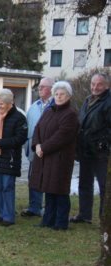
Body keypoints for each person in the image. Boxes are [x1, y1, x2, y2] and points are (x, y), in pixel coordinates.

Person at [29, 81, 79, 231]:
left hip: (60, 158)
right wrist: (37, 145)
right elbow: (37, 128)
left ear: (68, 96)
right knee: (49, 189)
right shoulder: (49, 110)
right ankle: (48, 220)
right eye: (56, 94)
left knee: (60, 190)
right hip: (45, 156)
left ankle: (61, 222)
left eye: (62, 94)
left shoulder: (70, 114)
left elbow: (62, 136)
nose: (59, 96)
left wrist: (43, 147)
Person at [70, 73, 111, 224]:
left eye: (99, 84)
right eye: (93, 84)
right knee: (85, 183)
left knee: (105, 188)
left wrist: (103, 143)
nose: (95, 87)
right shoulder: (88, 100)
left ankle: (104, 218)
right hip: (86, 150)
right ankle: (84, 214)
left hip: (102, 152)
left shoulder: (108, 102)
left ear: (107, 85)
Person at [0, 89, 27, 227]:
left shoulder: (19, 118)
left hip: (10, 158)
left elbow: (20, 138)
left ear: (10, 103)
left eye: (2, 104)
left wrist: (2, 143)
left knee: (7, 187)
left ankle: (9, 217)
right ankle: (1, 214)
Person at [22, 77, 55, 218]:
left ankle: (49, 208)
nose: (40, 89)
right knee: (33, 178)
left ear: (52, 89)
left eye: (43, 87)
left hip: (50, 150)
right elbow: (28, 128)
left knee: (49, 179)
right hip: (34, 150)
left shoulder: (56, 106)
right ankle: (34, 206)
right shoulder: (34, 106)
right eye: (39, 87)